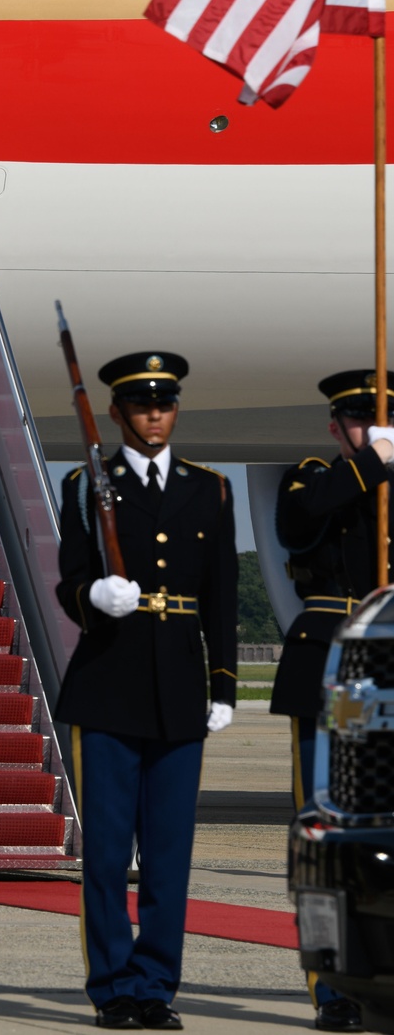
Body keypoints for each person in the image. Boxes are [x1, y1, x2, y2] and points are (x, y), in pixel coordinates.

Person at [56, 352, 238, 1032]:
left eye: (164, 405)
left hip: (180, 691)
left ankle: (156, 984)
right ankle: (112, 987)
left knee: (168, 856)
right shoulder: (85, 485)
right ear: (117, 413)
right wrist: (92, 597)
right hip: (107, 687)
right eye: (141, 406)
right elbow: (70, 578)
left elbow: (219, 596)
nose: (154, 415)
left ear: (175, 411)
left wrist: (223, 683)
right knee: (106, 854)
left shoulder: (209, 489)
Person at [270, 369, 394, 1034]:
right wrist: (371, 464)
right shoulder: (312, 473)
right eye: (357, 422)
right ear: (335, 426)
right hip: (328, 661)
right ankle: (332, 987)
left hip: (390, 661)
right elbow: (301, 523)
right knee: (327, 826)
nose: (369, 431)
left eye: (381, 423)